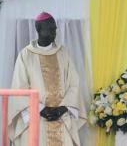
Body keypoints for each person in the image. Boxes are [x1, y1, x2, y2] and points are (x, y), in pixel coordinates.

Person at [8, 12, 85, 146]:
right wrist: (41, 109)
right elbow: (19, 88)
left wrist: (62, 108)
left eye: (54, 29)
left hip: (61, 117)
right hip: (36, 118)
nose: (53, 33)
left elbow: (74, 84)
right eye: (49, 29)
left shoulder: (63, 53)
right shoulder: (26, 55)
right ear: (38, 30)